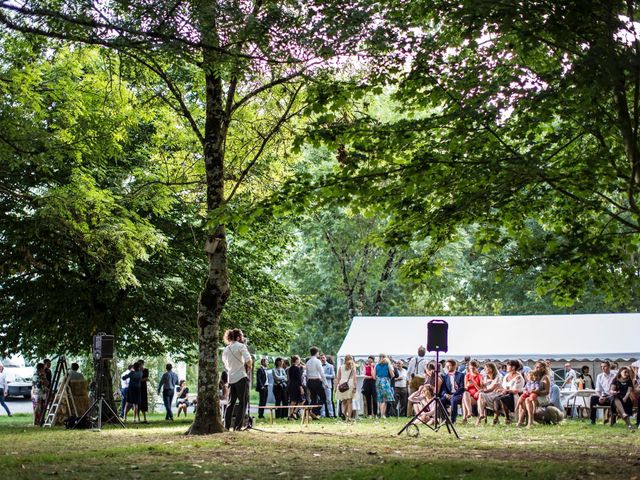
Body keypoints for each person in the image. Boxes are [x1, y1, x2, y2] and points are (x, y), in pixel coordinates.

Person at [222, 328, 252, 431]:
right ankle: (237, 427)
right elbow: (248, 360)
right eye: (242, 336)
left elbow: (225, 365)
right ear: (238, 337)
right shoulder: (241, 346)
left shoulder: (226, 349)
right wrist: (249, 367)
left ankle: (226, 426)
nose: (243, 338)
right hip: (241, 377)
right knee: (243, 402)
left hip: (231, 378)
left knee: (231, 403)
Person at [493, 359, 524, 425]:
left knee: (502, 399)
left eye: (508, 366)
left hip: (514, 396)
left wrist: (506, 390)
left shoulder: (518, 377)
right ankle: (496, 418)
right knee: (496, 398)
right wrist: (499, 389)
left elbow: (516, 390)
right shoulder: (507, 376)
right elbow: (503, 387)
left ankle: (506, 418)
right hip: (505, 394)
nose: (506, 367)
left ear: (513, 367)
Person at [523, 361, 551, 428]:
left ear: (543, 368)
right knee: (526, 400)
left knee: (528, 400)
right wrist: (526, 391)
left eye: (538, 367)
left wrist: (536, 392)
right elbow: (528, 385)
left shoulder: (545, 377)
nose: (536, 368)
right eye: (535, 367)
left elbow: (547, 392)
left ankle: (530, 421)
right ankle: (525, 420)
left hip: (543, 397)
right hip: (534, 396)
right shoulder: (535, 376)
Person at [589, 360, 616, 425]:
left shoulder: (614, 376)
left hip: (611, 397)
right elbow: (597, 390)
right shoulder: (599, 376)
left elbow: (615, 391)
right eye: (602, 367)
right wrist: (600, 396)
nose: (603, 368)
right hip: (602, 396)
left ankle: (613, 421)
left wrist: (606, 398)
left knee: (614, 399)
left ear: (609, 367)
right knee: (593, 398)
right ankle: (593, 420)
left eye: (605, 366)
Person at [439, 359, 465, 423]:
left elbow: (462, 387)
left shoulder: (461, 375)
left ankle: (453, 420)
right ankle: (444, 419)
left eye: (449, 366)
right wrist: (445, 394)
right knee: (441, 400)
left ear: (454, 366)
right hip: (448, 394)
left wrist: (453, 395)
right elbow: (443, 388)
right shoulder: (445, 376)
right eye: (446, 366)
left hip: (457, 394)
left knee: (453, 400)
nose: (447, 367)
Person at [305, 347, 328, 419]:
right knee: (323, 398)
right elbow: (322, 373)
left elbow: (307, 373)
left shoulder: (308, 362)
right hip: (316, 381)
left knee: (313, 398)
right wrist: (325, 383)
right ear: (317, 352)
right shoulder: (317, 361)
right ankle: (314, 411)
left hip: (310, 381)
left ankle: (313, 413)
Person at [372, 353, 395, 418]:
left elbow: (374, 376)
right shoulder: (387, 364)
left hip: (378, 382)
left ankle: (381, 414)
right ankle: (382, 415)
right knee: (385, 399)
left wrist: (378, 378)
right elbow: (393, 375)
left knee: (380, 399)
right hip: (385, 382)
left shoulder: (377, 365)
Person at [335, 354, 357, 421]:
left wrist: (336, 387)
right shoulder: (353, 367)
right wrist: (355, 387)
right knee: (349, 402)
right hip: (350, 384)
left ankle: (344, 414)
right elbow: (354, 379)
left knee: (343, 401)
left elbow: (338, 378)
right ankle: (349, 417)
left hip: (342, 384)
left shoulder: (341, 367)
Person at [287, 355, 304, 420]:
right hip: (296, 386)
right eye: (299, 359)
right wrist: (301, 387)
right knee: (301, 400)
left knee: (293, 400)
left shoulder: (290, 368)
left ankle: (291, 414)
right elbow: (299, 379)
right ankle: (293, 413)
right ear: (296, 360)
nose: (300, 361)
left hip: (291, 385)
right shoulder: (297, 368)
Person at [138, 359, 149, 424]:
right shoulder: (137, 370)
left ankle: (145, 418)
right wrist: (142, 379)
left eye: (140, 364)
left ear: (143, 364)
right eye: (138, 364)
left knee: (144, 402)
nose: (139, 365)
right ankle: (138, 418)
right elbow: (145, 379)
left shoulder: (146, 370)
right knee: (138, 402)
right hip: (138, 388)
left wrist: (139, 380)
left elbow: (146, 378)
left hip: (143, 388)